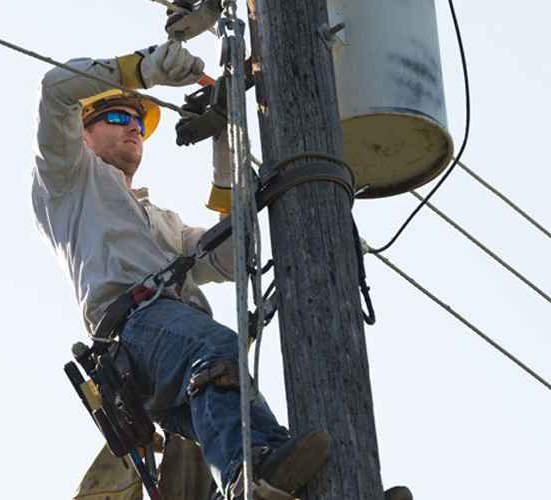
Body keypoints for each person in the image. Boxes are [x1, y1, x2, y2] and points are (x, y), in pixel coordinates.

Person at [31, 40, 332, 499]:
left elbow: (231, 258)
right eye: (115, 118)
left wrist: (224, 140)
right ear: (82, 133)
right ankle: (246, 480)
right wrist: (142, 69)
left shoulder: (163, 220)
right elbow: (55, 89)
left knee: (247, 414)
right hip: (138, 331)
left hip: (166, 357)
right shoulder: (67, 180)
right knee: (219, 357)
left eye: (138, 122)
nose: (132, 126)